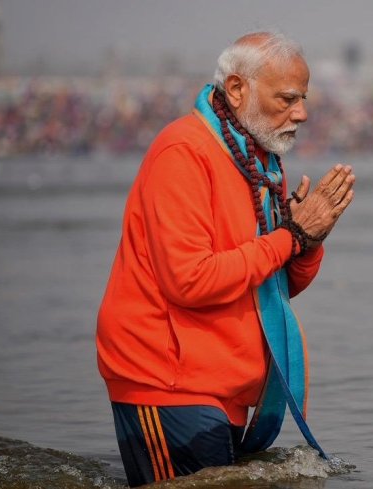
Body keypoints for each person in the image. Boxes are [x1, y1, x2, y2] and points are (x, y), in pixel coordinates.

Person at [95, 31, 355, 487]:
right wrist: (291, 237)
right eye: (288, 99)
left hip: (225, 386)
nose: (302, 113)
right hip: (166, 382)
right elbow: (190, 280)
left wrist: (308, 241)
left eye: (303, 99)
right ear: (237, 89)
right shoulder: (184, 151)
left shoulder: (257, 159)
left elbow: (270, 284)